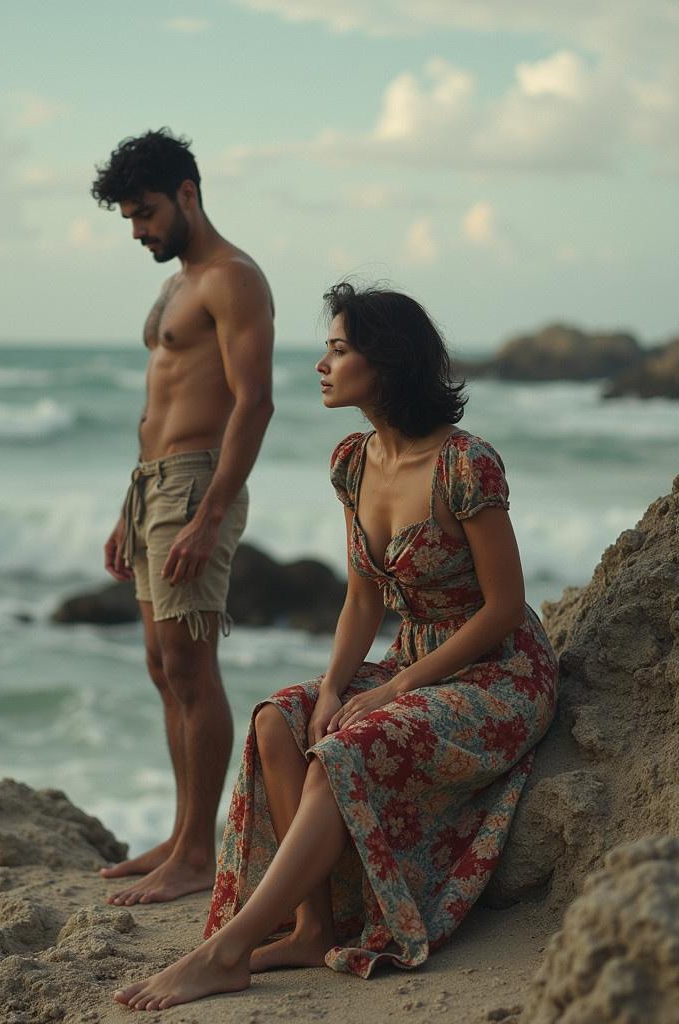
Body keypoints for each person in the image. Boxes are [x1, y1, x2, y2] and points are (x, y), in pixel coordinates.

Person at [113, 282, 557, 1011]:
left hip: (500, 672)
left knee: (345, 748)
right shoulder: (353, 460)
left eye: (339, 349)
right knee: (279, 722)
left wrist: (389, 691)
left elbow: (505, 608)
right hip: (414, 661)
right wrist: (330, 689)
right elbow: (361, 597)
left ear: (386, 362)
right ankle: (310, 926)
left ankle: (226, 952)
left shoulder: (466, 464)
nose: (323, 364)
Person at [90, 129, 274, 905]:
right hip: (152, 487)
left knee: (193, 669)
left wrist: (209, 515)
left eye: (146, 213)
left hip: (196, 486)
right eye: (129, 216)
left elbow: (254, 403)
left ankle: (200, 854)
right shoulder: (177, 282)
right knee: (161, 667)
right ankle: (181, 834)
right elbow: (160, 397)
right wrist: (126, 510)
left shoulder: (233, 279)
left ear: (188, 194)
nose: (138, 231)